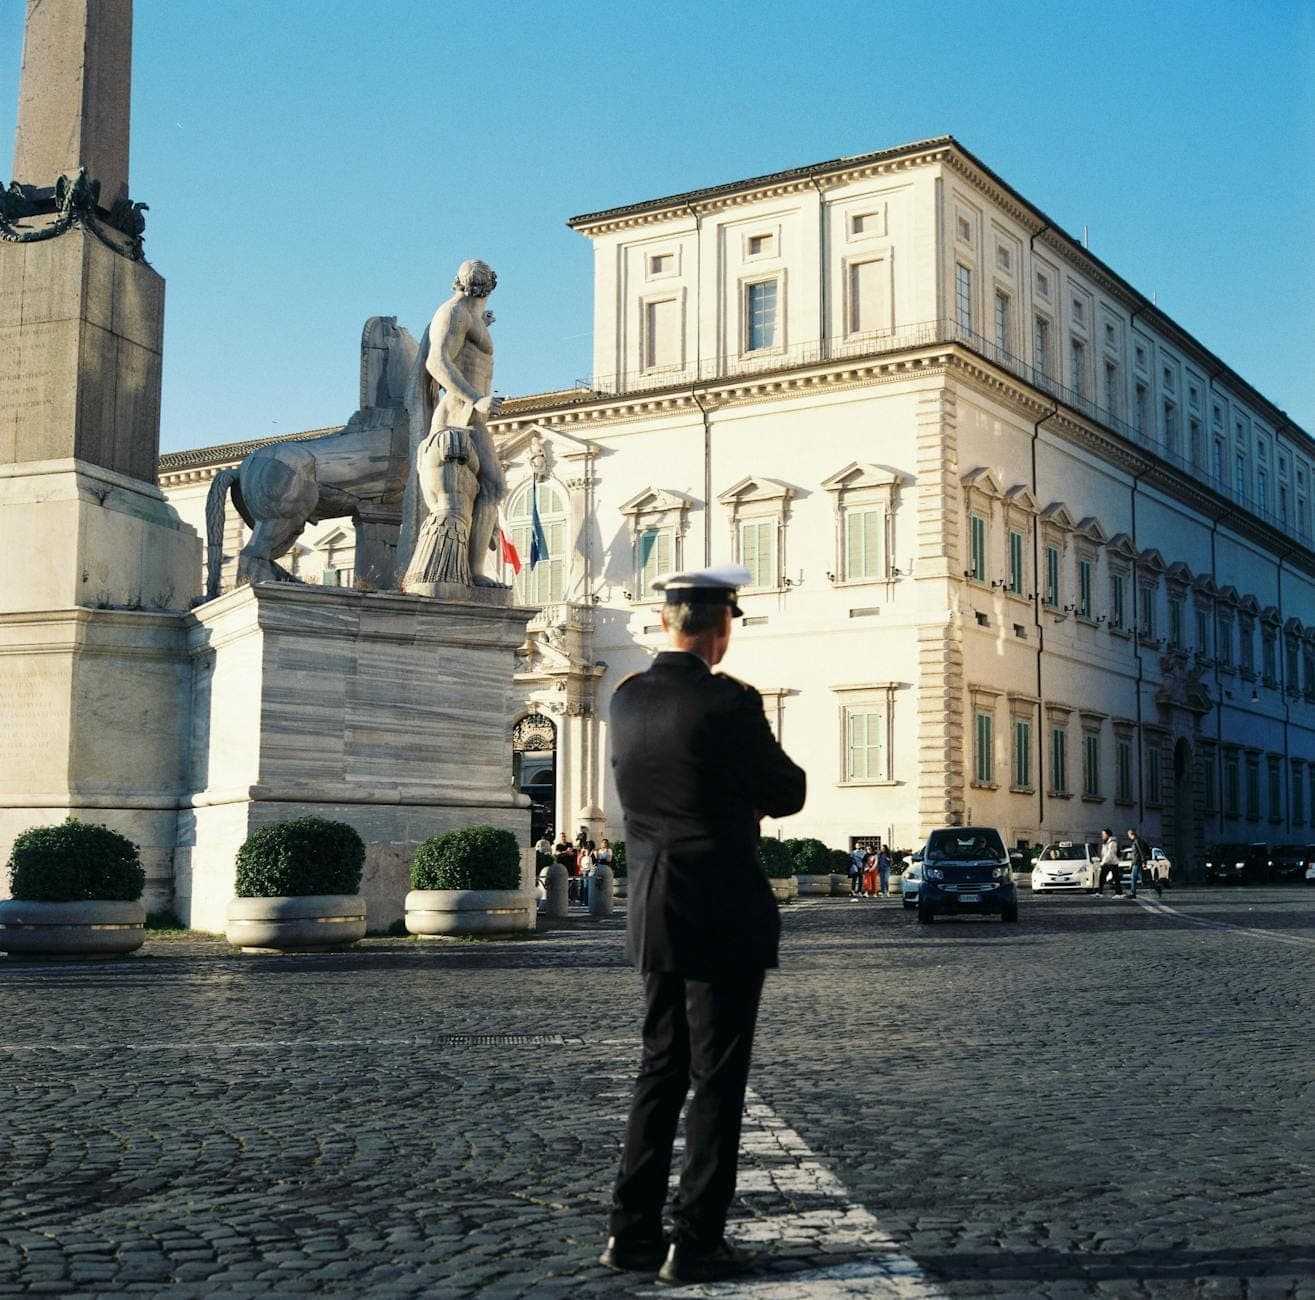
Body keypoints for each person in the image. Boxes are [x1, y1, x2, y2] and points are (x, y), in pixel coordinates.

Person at [600, 565, 806, 1287]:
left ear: (666, 624)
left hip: (653, 905)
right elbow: (788, 791)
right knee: (716, 1079)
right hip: (720, 906)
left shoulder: (624, 700)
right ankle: (695, 1240)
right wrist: (739, 799)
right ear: (720, 629)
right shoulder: (729, 702)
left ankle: (629, 1234)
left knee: (659, 1069)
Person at [398, 259, 506, 587]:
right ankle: (462, 569)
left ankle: (475, 571)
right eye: (476, 276)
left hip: (474, 421)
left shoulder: (470, 316)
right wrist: (476, 398)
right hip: (456, 421)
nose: (479, 279)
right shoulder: (455, 312)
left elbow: (464, 353)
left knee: (494, 487)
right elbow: (437, 362)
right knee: (460, 501)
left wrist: (481, 323)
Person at [1126, 826, 1159, 898]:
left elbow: (1141, 852)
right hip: (1135, 862)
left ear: (1131, 834)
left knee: (1133, 877)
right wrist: (1131, 863)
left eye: (1128, 834)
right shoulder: (1135, 841)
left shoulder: (1137, 841)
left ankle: (1133, 893)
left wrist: (1144, 862)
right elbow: (1135, 854)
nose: (1128, 836)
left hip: (1138, 862)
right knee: (1143, 879)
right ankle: (1156, 887)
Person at [1097, 827, 1121, 895]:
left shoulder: (1112, 843)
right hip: (1107, 863)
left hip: (1112, 862)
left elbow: (1110, 854)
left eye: (1104, 834)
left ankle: (1119, 893)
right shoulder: (1106, 843)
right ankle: (1099, 892)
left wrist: (1103, 862)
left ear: (1108, 835)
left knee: (1116, 878)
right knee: (1102, 877)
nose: (1102, 836)